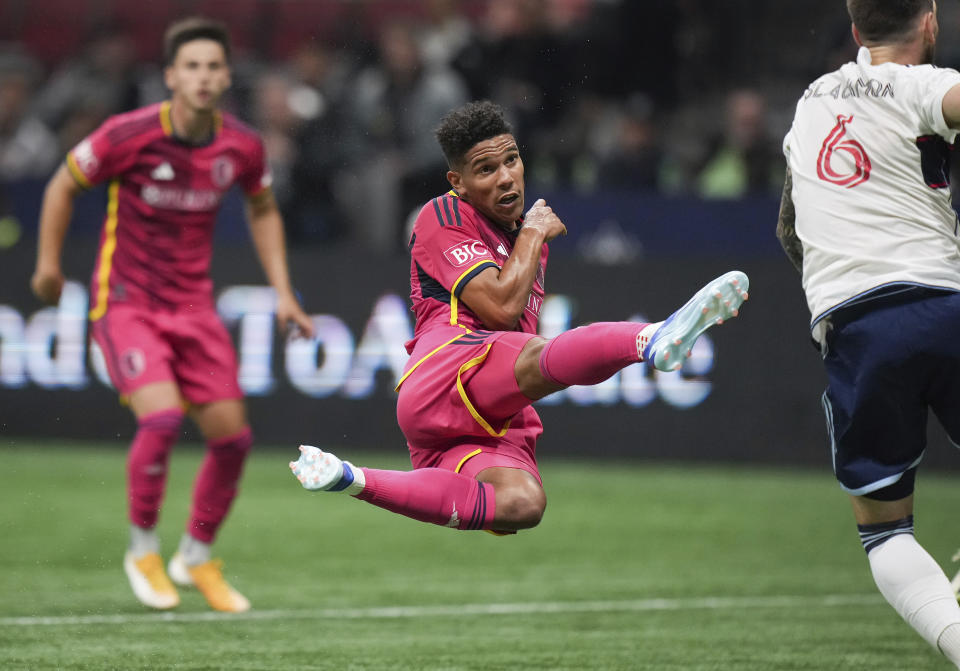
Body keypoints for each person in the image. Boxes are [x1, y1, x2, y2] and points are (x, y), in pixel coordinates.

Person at [290, 100, 748, 536]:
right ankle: (650, 340)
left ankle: (348, 477)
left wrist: (528, 239)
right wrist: (532, 231)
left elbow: (514, 329)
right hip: (445, 373)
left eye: (511, 160)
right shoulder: (444, 213)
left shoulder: (528, 245)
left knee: (522, 505)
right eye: (486, 169)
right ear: (459, 182)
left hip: (485, 409)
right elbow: (502, 308)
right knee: (535, 354)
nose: (506, 177)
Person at [31, 17, 314, 613]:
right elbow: (62, 185)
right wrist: (49, 266)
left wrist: (283, 290)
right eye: (192, 67)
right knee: (160, 423)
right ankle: (142, 551)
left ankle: (194, 555)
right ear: (170, 77)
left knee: (234, 441)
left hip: (194, 310)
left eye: (214, 67)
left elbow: (263, 209)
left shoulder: (241, 145)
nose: (204, 77)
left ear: (227, 76)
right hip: (127, 304)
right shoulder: (126, 134)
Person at [779, 1, 960, 666]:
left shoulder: (808, 104)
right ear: (931, 23)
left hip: (856, 325)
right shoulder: (922, 83)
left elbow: (790, 227)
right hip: (945, 304)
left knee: (886, 532)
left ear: (856, 32)